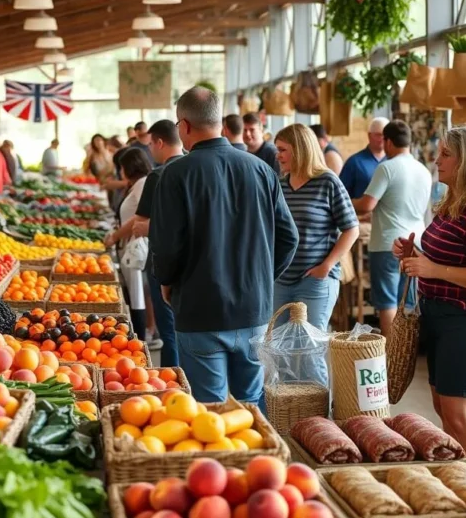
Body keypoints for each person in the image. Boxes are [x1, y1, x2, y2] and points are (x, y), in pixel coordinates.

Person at [150, 87, 299, 404]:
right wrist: (261, 277)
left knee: (210, 407)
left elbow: (167, 245)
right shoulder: (261, 170)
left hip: (199, 308)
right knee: (251, 403)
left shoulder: (175, 175)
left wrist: (166, 281)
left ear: (184, 126)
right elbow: (289, 237)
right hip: (253, 308)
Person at [396, 127, 466, 457]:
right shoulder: (453, 204)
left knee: (460, 418)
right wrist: (415, 256)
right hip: (443, 318)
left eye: (446, 154)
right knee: (445, 410)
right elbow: (449, 260)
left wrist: (434, 270)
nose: (437, 160)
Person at [272, 124, 359, 385]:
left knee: (309, 349)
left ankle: (320, 408)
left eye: (282, 150)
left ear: (300, 150)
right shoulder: (279, 185)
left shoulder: (327, 182)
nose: (277, 155)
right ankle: (290, 405)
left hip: (316, 280)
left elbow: (351, 229)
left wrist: (327, 265)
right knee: (280, 349)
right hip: (281, 279)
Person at [353, 120, 431, 337]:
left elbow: (367, 205)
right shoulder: (424, 170)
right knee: (408, 302)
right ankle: (406, 351)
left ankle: (390, 353)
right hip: (416, 243)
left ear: (387, 142)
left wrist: (346, 201)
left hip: (387, 243)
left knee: (387, 301)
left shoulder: (386, 168)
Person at [132, 119, 184, 367]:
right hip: (194, 264)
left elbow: (140, 224)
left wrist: (147, 227)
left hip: (162, 262)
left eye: (151, 144)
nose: (150, 150)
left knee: (169, 331)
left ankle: (172, 381)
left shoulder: (158, 175)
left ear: (160, 142)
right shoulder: (196, 170)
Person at [104, 148, 153, 340]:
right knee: (134, 294)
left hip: (134, 248)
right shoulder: (135, 185)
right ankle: (138, 336)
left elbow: (140, 216)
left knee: (137, 294)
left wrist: (116, 236)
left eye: (121, 167)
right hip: (128, 247)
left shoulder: (142, 184)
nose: (120, 171)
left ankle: (140, 340)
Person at [340, 117, 388, 200]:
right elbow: (341, 194)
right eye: (378, 135)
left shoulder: (393, 161)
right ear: (369, 135)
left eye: (385, 136)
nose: (382, 139)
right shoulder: (354, 162)